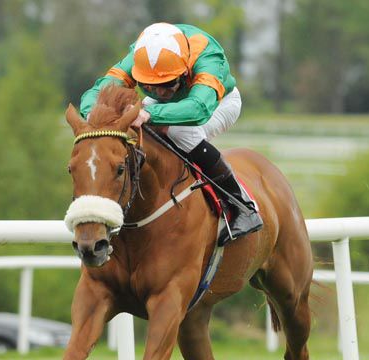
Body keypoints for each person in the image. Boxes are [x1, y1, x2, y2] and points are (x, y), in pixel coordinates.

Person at [80, 22, 263, 246]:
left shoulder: (206, 56)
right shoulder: (141, 55)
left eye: (167, 83)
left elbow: (198, 109)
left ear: (184, 70)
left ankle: (241, 204)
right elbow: (98, 91)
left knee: (180, 131)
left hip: (217, 102)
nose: (159, 91)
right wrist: (94, 114)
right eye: (149, 85)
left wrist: (149, 113)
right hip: (174, 103)